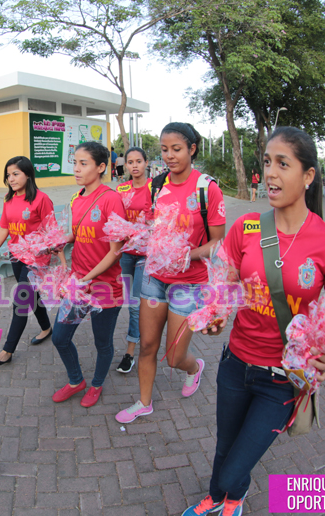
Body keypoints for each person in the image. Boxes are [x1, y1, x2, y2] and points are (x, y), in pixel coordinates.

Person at [182, 127, 325, 516]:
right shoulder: (247, 228)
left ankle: (230, 492)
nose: (270, 173)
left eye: (283, 164)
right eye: (267, 163)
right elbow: (225, 282)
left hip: (282, 379)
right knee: (225, 445)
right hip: (235, 364)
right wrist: (216, 315)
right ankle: (220, 501)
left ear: (308, 176)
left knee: (235, 466)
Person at [116, 122, 225, 424]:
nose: (169, 156)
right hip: (154, 278)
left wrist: (186, 255)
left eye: (176, 149)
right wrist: (136, 236)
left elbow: (218, 242)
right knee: (148, 345)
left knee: (175, 355)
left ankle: (194, 368)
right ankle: (143, 402)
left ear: (191, 149)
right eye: (164, 150)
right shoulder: (157, 185)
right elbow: (154, 229)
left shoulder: (207, 189)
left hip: (189, 283)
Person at [51, 141, 126, 408]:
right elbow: (77, 233)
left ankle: (95, 385)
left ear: (101, 166)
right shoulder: (76, 198)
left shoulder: (111, 199)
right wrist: (59, 241)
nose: (77, 169)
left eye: (84, 164)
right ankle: (76, 381)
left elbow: (115, 250)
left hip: (105, 286)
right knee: (60, 337)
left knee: (102, 343)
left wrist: (87, 278)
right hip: (78, 284)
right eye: (75, 163)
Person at [0, 156, 60, 365]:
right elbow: (5, 228)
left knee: (21, 299)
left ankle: (8, 350)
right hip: (16, 256)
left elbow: (52, 232)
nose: (11, 179)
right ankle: (46, 327)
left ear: (28, 174)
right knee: (31, 296)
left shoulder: (41, 199)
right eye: (8, 175)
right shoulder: (9, 199)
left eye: (16, 174)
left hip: (36, 259)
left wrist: (58, 258)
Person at [113, 147, 151, 374]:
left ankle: (130, 353)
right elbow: (116, 219)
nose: (134, 166)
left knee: (135, 305)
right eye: (130, 162)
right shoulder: (121, 189)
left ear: (146, 163)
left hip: (147, 255)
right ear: (125, 165)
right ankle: (143, 336)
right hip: (126, 253)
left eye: (138, 161)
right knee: (131, 303)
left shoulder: (156, 188)